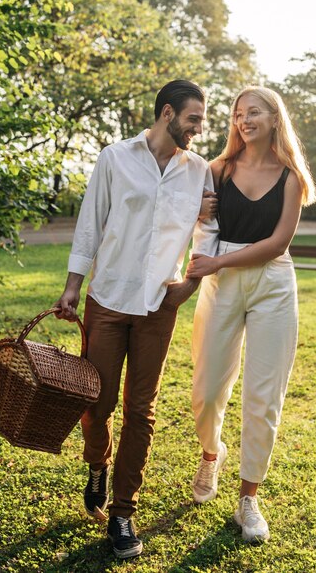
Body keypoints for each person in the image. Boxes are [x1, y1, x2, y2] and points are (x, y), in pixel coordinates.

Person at [55, 80, 218, 559]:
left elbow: (208, 232)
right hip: (107, 299)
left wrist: (188, 285)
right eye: (194, 119)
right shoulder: (115, 157)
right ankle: (96, 465)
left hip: (157, 305)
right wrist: (72, 285)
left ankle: (123, 513)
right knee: (97, 404)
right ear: (167, 114)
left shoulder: (199, 171)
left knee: (140, 412)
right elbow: (91, 221)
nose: (199, 128)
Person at [186, 86, 316, 543]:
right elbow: (193, 219)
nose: (244, 120)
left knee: (264, 397)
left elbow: (278, 244)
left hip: (273, 282)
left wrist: (218, 262)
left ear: (274, 117)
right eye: (238, 113)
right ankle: (211, 453)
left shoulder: (291, 177)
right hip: (222, 287)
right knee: (205, 390)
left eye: (254, 112)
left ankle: (249, 500)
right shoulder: (217, 169)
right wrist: (194, 210)